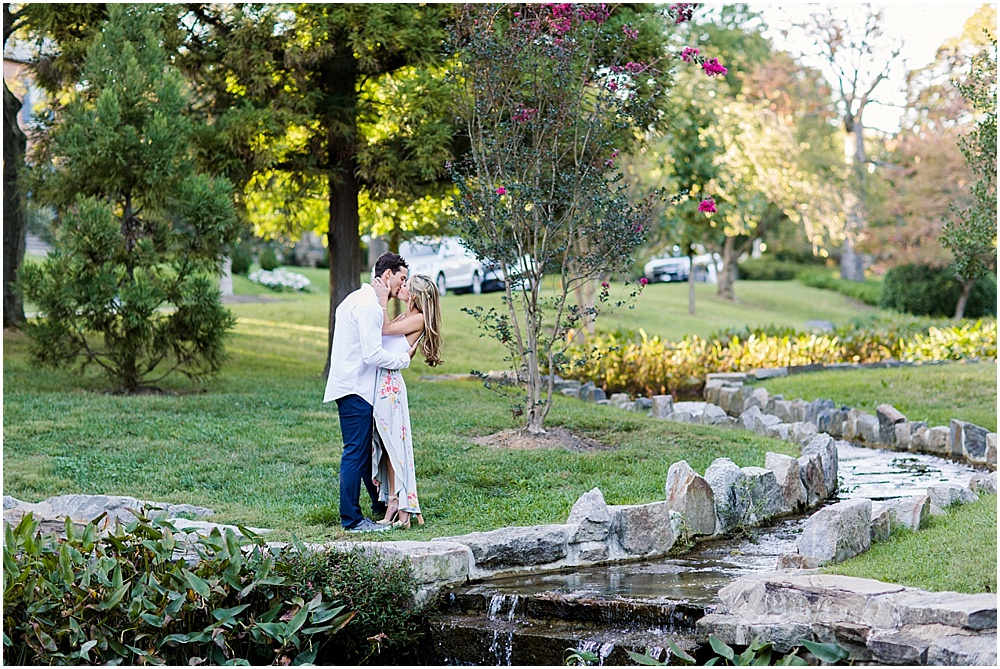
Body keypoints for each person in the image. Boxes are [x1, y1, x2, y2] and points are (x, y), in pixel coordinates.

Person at [324, 252, 415, 533]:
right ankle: (351, 520)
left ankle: (379, 505)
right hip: (356, 388)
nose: (402, 285)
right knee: (355, 453)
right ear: (387, 275)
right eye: (401, 278)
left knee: (362, 454)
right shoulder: (370, 306)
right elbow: (372, 353)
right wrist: (403, 361)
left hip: (350, 385)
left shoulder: (355, 298)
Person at [372, 274, 443, 529]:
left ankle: (401, 508)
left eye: (405, 285)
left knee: (395, 447)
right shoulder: (405, 316)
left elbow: (384, 329)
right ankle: (393, 501)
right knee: (386, 447)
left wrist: (381, 300)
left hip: (391, 388)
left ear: (414, 295)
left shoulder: (418, 319)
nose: (401, 287)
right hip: (382, 383)